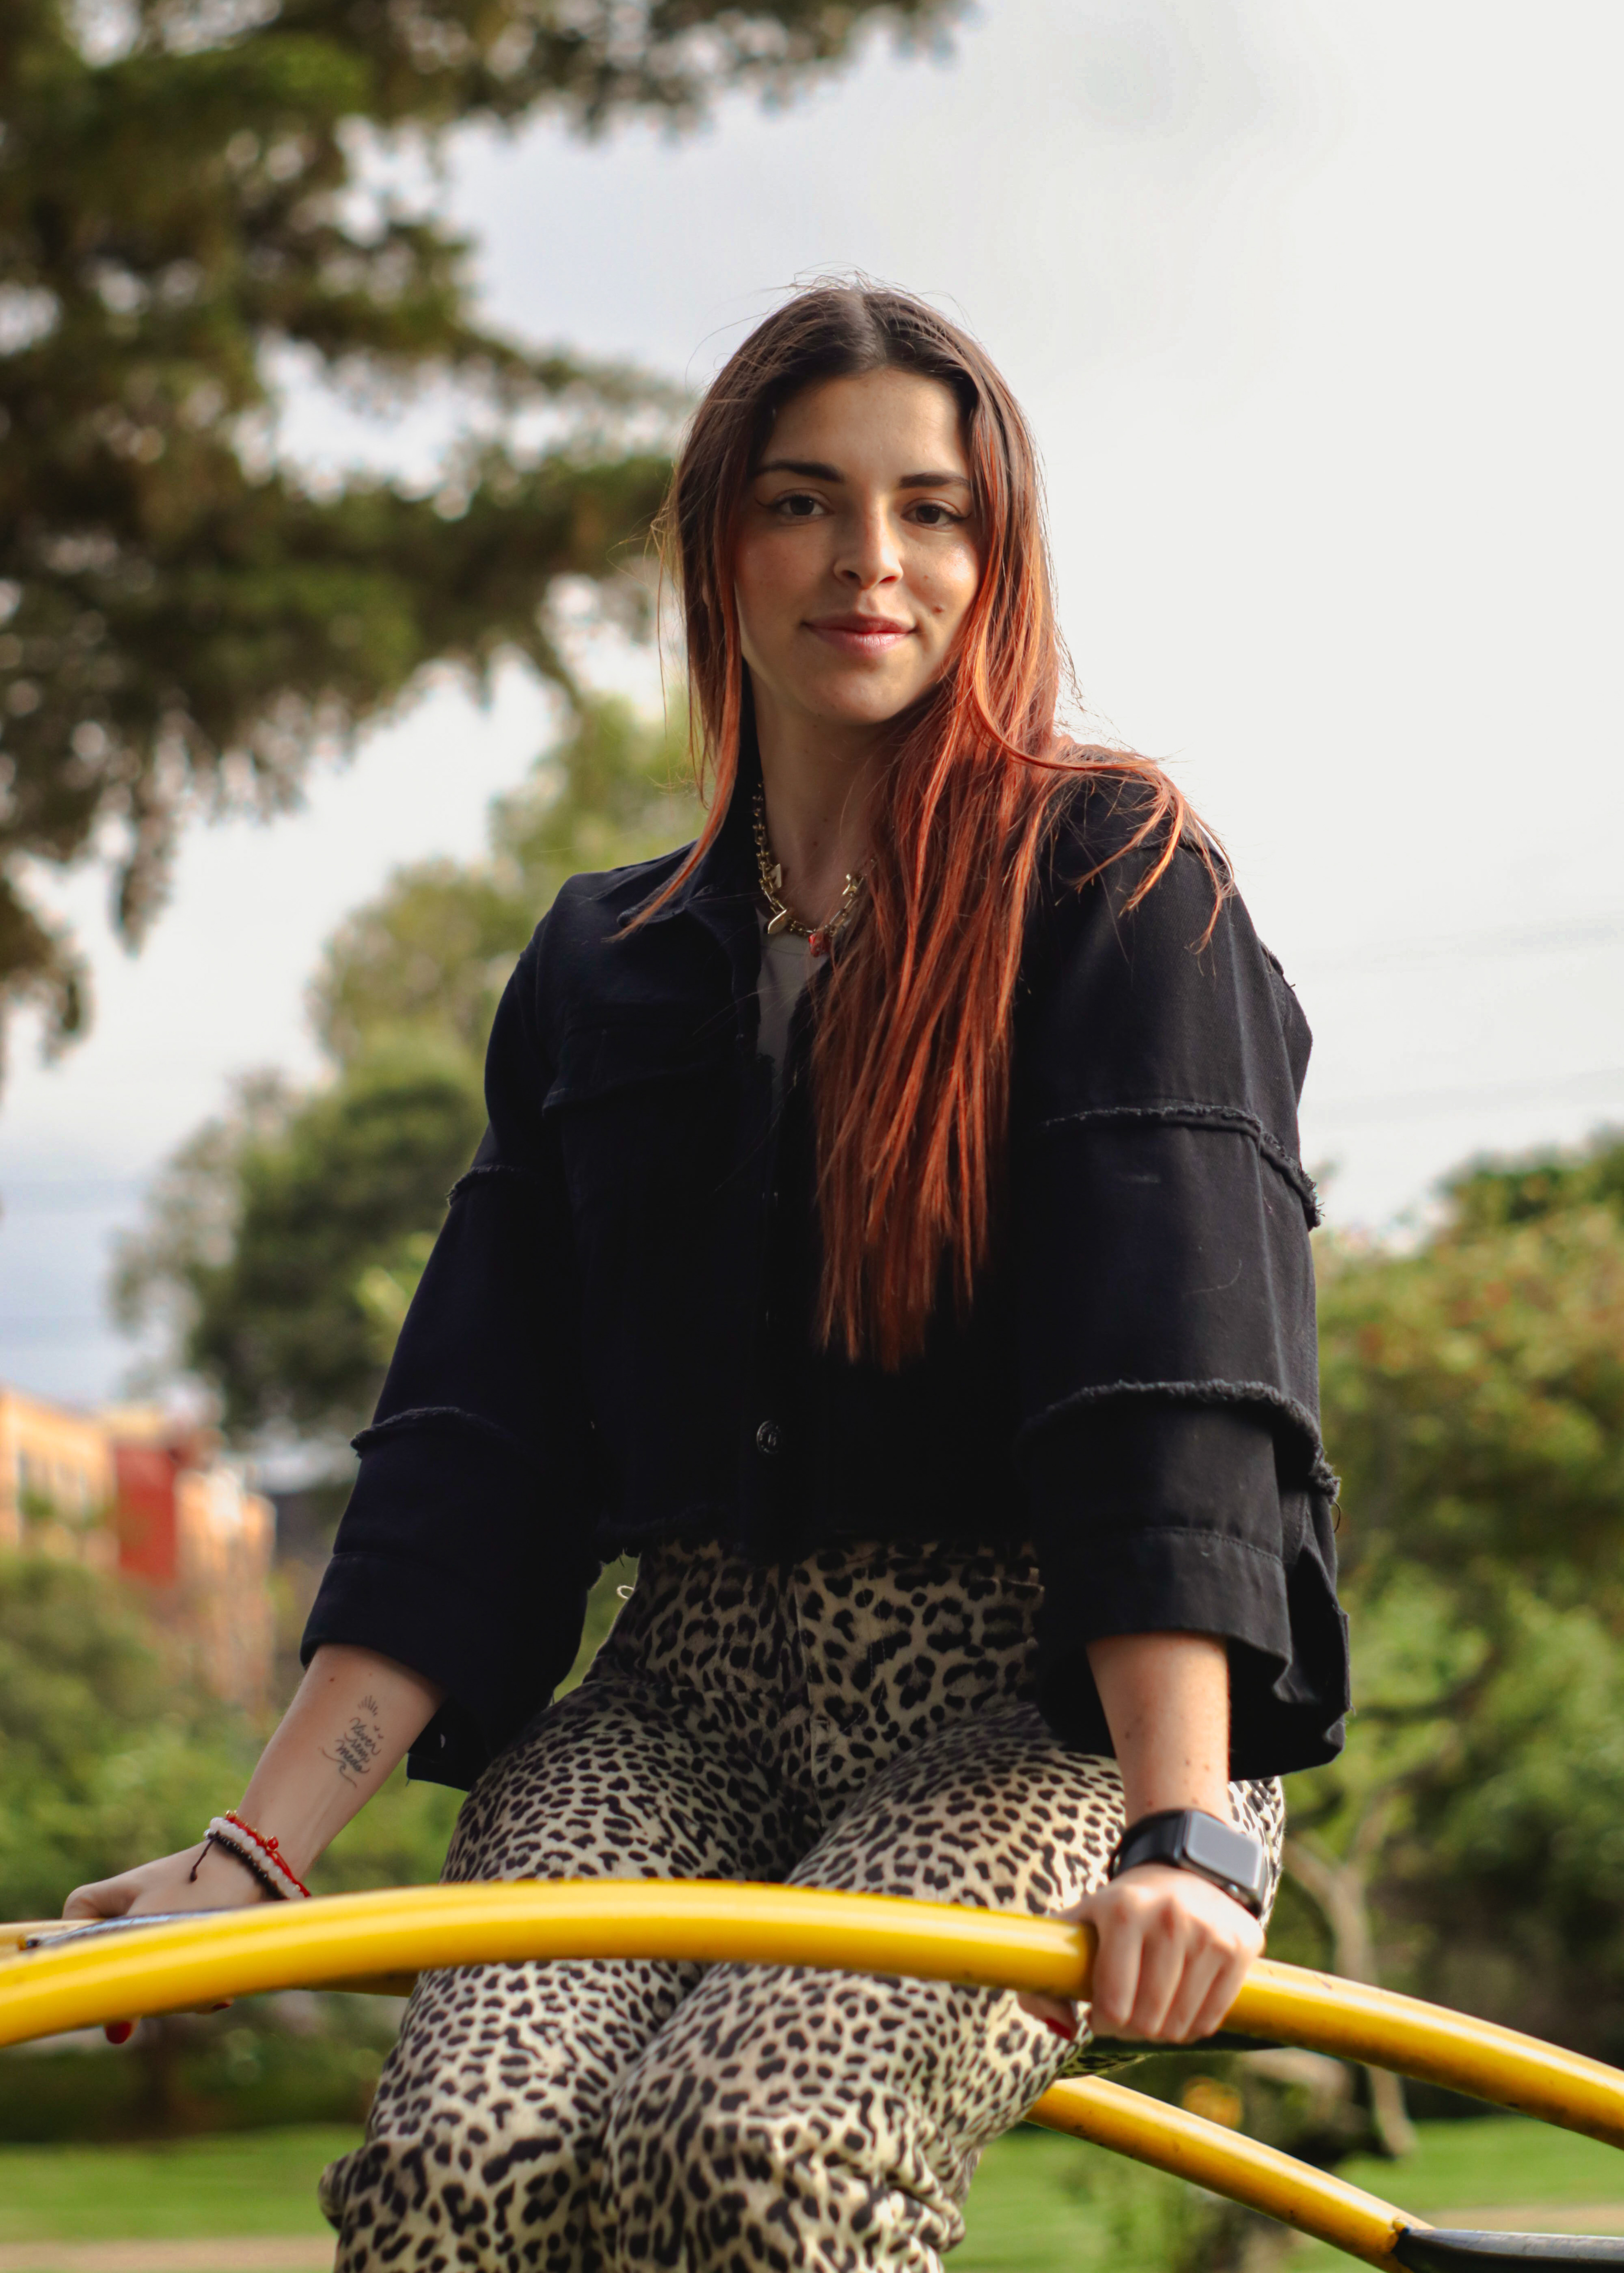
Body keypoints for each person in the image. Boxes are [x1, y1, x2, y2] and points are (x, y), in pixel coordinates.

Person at [69, 284, 1348, 2273]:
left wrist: (1182, 1826)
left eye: (933, 511)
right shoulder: (608, 967)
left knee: (749, 2141)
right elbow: (476, 1445)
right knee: (460, 2170)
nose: (871, 562)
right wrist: (256, 1851)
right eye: (804, 503)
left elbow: (1170, 1371)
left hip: (1049, 1711)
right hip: (687, 1696)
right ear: (716, 551)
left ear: (996, 557)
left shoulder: (1112, 877)